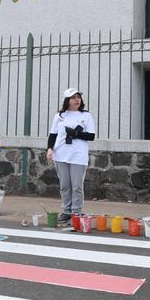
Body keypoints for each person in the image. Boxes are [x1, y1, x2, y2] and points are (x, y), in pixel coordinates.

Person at [46, 88, 96, 227]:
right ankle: (67, 211)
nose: (77, 99)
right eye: (73, 97)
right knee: (65, 185)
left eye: (78, 97)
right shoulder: (60, 116)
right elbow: (53, 135)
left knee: (76, 186)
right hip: (61, 154)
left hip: (78, 156)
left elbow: (91, 136)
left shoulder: (86, 116)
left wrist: (75, 134)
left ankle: (76, 212)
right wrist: (50, 148)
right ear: (67, 100)